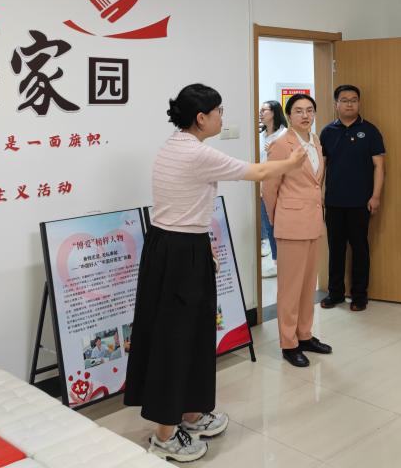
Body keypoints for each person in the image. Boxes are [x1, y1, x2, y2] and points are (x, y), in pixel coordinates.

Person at [125, 83, 306, 462]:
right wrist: (291, 163)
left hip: (174, 245)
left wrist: (202, 241)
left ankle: (191, 413)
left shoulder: (175, 145)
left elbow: (184, 205)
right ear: (201, 118)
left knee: (193, 333)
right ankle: (164, 434)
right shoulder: (196, 153)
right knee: (176, 338)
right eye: (218, 111)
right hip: (179, 253)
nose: (223, 117)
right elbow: (257, 170)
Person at [263, 93, 334, 367]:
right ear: (289, 115)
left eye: (310, 110)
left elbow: (315, 183)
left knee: (307, 285)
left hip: (313, 222)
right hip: (291, 223)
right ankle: (288, 343)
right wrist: (276, 219)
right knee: (290, 289)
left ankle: (304, 335)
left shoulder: (314, 140)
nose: (305, 115)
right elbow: (269, 187)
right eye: (299, 111)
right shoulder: (282, 144)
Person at [319, 84, 385, 311]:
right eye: (344, 100)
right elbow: (322, 167)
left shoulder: (370, 131)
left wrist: (376, 196)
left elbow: (379, 167)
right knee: (335, 249)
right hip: (334, 202)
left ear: (359, 103)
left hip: (361, 202)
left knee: (360, 249)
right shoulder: (327, 132)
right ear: (336, 104)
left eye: (354, 100)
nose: (349, 104)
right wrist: (318, 194)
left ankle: (359, 296)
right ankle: (335, 293)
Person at [258, 100, 287, 277]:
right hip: (262, 185)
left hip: (279, 188)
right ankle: (276, 261)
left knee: (277, 226)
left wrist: (273, 151)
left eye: (264, 110)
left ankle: (280, 263)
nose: (261, 113)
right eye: (260, 110)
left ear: (274, 112)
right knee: (268, 226)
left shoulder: (283, 135)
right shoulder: (260, 135)